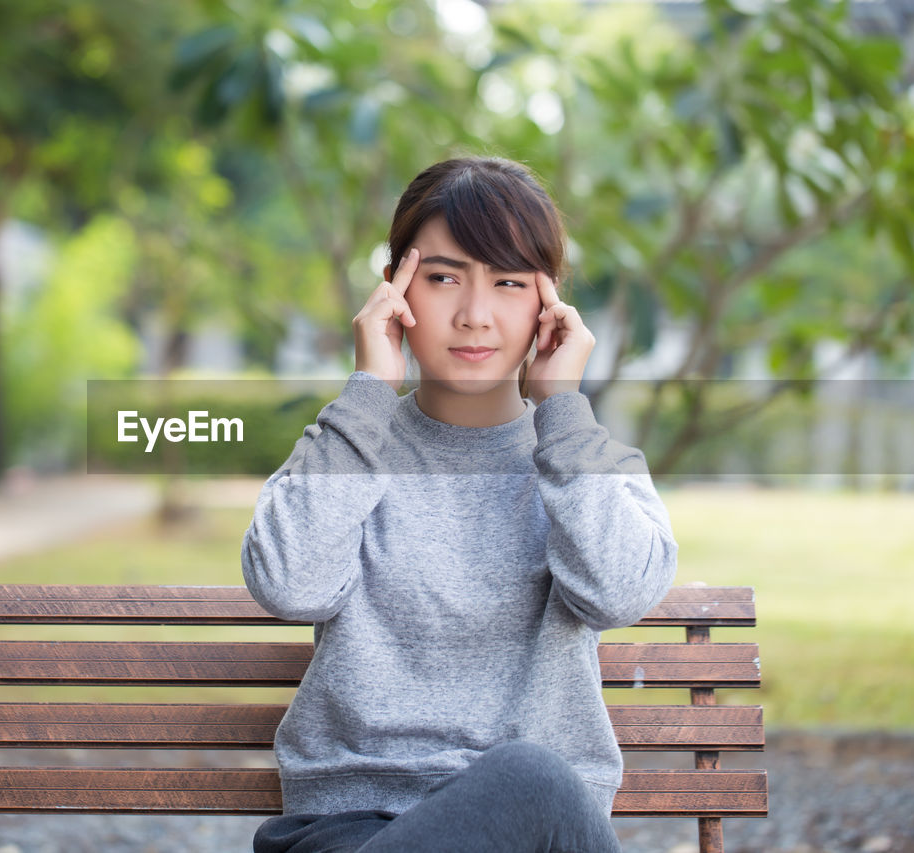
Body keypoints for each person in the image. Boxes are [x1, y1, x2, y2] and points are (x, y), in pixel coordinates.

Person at [240, 156, 679, 852]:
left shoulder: (592, 463)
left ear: (550, 306)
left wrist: (561, 408)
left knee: (533, 780)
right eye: (444, 277)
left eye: (508, 283)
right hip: (351, 831)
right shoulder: (348, 450)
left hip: (531, 835)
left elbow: (617, 592)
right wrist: (368, 393)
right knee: (534, 777)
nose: (475, 315)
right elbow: (290, 585)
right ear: (395, 292)